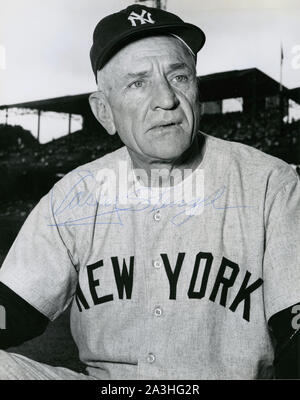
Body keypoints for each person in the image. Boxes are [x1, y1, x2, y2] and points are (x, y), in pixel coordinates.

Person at [0, 4, 299, 380]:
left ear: (196, 88)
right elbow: (10, 310)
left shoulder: (270, 182)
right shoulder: (74, 194)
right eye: (138, 83)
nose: (166, 99)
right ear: (104, 112)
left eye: (179, 77)